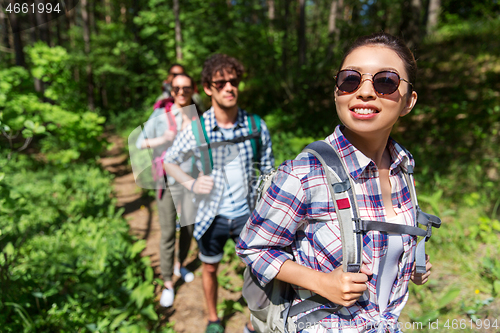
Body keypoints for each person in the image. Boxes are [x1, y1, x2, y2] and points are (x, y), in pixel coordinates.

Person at [236, 32, 432, 332]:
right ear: (337, 92)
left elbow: (385, 249)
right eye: (350, 79)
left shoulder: (403, 167)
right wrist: (322, 282)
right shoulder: (304, 174)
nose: (364, 92)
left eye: (385, 82)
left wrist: (411, 266)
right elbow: (253, 248)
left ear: (408, 101)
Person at [164, 54, 274, 333]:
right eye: (221, 82)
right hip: (210, 215)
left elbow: (269, 172)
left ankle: (256, 323)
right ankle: (214, 318)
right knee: (210, 268)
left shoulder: (256, 127)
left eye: (233, 81)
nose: (229, 87)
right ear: (208, 88)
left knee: (258, 271)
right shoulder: (198, 129)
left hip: (249, 216)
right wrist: (190, 184)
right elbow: (169, 161)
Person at [136, 73, 200, 308]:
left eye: (186, 87)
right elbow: (139, 142)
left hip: (190, 182)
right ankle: (167, 283)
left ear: (193, 89)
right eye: (177, 88)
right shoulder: (161, 114)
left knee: (188, 228)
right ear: (171, 90)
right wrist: (162, 138)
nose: (181, 92)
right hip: (166, 181)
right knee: (166, 234)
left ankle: (180, 264)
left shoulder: (197, 114)